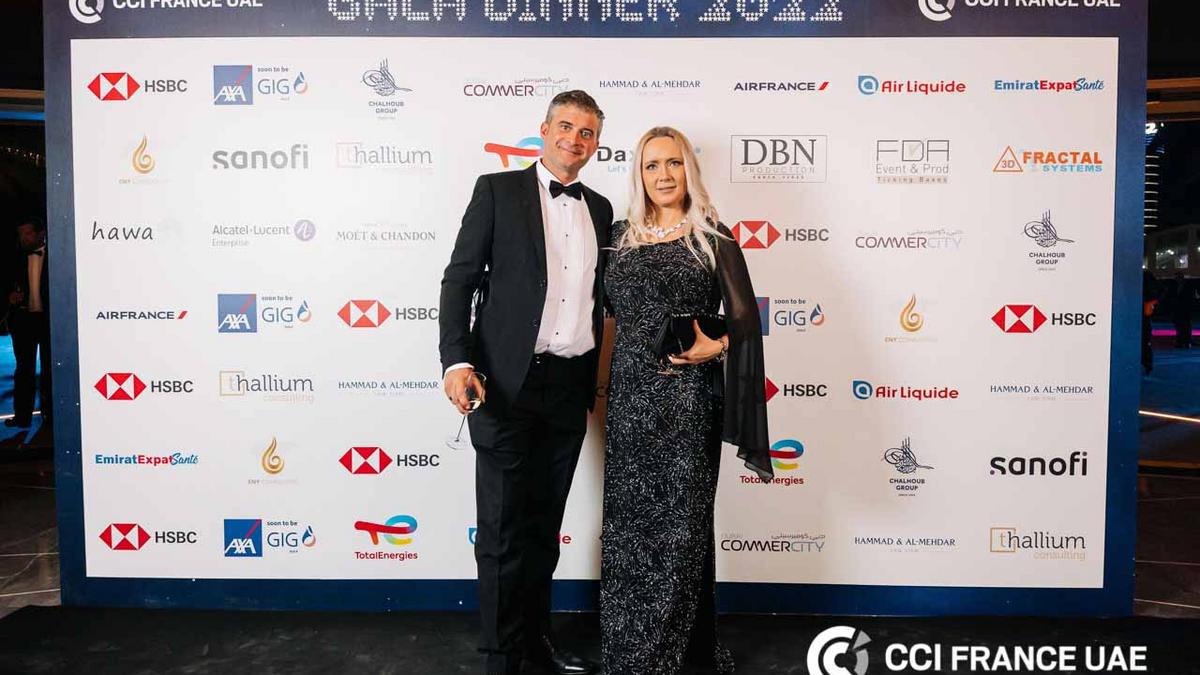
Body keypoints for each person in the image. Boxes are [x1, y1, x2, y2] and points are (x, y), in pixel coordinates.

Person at [439, 90, 613, 675]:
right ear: (544, 129)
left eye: (586, 132)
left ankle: (536, 642)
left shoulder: (601, 209)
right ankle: (500, 655)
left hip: (569, 387)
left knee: (543, 528)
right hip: (503, 385)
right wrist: (456, 363)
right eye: (565, 126)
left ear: (596, 143)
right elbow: (459, 280)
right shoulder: (497, 191)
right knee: (501, 530)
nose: (574, 139)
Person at [600, 127, 772, 675]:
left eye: (673, 163)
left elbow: (745, 320)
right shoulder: (618, 236)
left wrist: (714, 346)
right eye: (652, 165)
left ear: (689, 170)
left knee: (683, 526)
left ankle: (669, 656)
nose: (664, 175)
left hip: (687, 402)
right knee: (629, 527)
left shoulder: (712, 236)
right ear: (639, 174)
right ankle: (630, 649)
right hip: (629, 400)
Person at [6, 217, 51, 429]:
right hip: (23, 322)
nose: (23, 238)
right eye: (21, 234)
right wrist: (9, 296)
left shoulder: (57, 257)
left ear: (41, 234)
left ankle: (50, 417)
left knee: (51, 370)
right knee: (24, 370)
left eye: (28, 233)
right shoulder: (14, 259)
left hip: (50, 322)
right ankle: (22, 417)